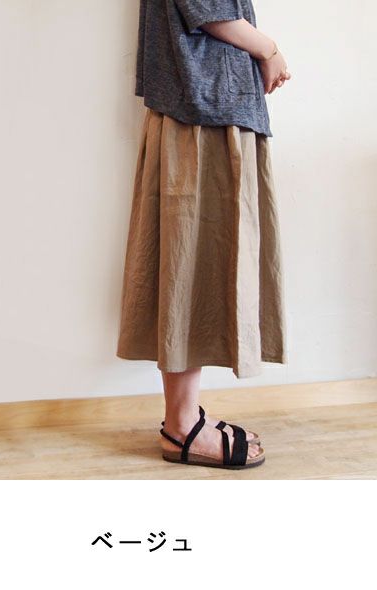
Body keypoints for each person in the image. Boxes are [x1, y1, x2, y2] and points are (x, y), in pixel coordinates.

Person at [116, 0, 291, 470]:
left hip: (204, 104)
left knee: (189, 262)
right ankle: (181, 425)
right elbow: (208, 8)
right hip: (202, 111)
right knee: (187, 261)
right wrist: (269, 49)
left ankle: (184, 416)